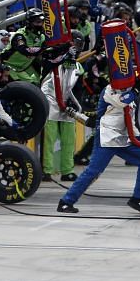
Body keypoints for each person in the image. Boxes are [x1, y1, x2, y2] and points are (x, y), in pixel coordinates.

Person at [57, 83, 140, 215]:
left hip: (124, 137)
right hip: (107, 137)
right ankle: (65, 202)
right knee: (94, 171)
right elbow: (120, 102)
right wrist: (135, 91)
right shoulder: (110, 89)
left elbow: (131, 121)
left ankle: (138, 199)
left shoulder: (131, 93)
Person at [41, 32, 84, 182]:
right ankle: (46, 170)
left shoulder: (79, 67)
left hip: (67, 103)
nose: (75, 48)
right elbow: (48, 61)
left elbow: (79, 88)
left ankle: (67, 170)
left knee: (69, 139)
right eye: (72, 44)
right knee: (49, 138)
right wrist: (64, 55)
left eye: (77, 46)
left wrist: (75, 103)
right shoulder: (54, 59)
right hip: (50, 100)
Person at [1, 8, 47, 84]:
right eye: (37, 22)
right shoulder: (20, 35)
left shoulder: (42, 36)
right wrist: (42, 49)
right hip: (7, 66)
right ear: (29, 22)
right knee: (26, 88)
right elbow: (24, 50)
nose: (40, 25)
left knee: (39, 83)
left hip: (23, 67)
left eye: (41, 22)